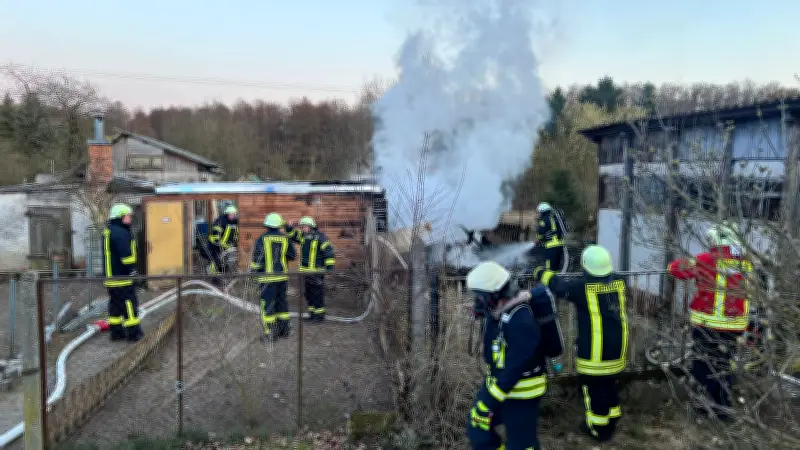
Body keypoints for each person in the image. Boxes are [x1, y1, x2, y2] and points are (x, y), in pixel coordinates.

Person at [533, 245, 628, 442]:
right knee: (610, 384)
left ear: (585, 266)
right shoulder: (620, 281)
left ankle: (599, 430)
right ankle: (612, 418)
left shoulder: (581, 288)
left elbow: (558, 286)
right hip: (617, 349)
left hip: (595, 355)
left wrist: (540, 272)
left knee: (594, 391)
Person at [466, 261, 564, 450]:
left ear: (494, 295)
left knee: (522, 444)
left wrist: (488, 402)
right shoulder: (497, 312)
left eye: (479, 296)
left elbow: (514, 367)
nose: (476, 301)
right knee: (477, 427)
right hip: (499, 385)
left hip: (522, 392)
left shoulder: (521, 319)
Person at [667, 223, 753, 421]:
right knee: (724, 367)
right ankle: (723, 410)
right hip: (736, 327)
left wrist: (672, 265)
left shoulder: (707, 259)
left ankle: (703, 409)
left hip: (709, 327)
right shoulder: (746, 262)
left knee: (703, 367)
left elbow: (676, 269)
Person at [250, 212, 296, 341]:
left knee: (268, 306)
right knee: (282, 304)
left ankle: (270, 334)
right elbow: (292, 256)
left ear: (267, 225)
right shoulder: (285, 238)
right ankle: (284, 330)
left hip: (266, 279)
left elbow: (257, 259)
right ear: (279, 225)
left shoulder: (262, 239)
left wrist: (254, 273)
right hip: (282, 278)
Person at [102, 203, 144, 342]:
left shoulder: (109, 231)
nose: (129, 219)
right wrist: (132, 270)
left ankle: (117, 332)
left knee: (115, 305)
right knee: (129, 304)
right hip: (122, 277)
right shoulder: (121, 233)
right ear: (120, 217)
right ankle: (134, 333)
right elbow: (126, 256)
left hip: (111, 278)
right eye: (127, 216)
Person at [285, 216, 336, 322]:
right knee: (308, 294)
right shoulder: (304, 237)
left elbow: (329, 252)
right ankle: (312, 315)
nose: (302, 229)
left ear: (310, 227)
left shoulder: (320, 238)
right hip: (305, 273)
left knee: (317, 295)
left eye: (304, 227)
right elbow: (292, 235)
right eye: (301, 227)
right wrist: (289, 227)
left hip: (316, 273)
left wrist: (329, 269)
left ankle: (319, 316)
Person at [207, 205, 240, 286]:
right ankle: (214, 279)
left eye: (234, 214)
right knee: (216, 262)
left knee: (224, 262)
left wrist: (235, 244)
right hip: (214, 246)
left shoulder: (236, 222)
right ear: (226, 214)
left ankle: (221, 277)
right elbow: (215, 236)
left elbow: (236, 234)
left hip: (225, 247)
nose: (232, 216)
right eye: (231, 214)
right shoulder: (220, 222)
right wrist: (221, 245)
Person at [535, 202, 566, 273]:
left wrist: (538, 240)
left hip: (550, 247)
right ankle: (557, 282)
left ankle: (550, 283)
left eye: (539, 212)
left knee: (549, 269)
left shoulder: (543, 221)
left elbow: (540, 234)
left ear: (543, 212)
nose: (539, 214)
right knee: (556, 268)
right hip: (560, 246)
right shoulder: (555, 219)